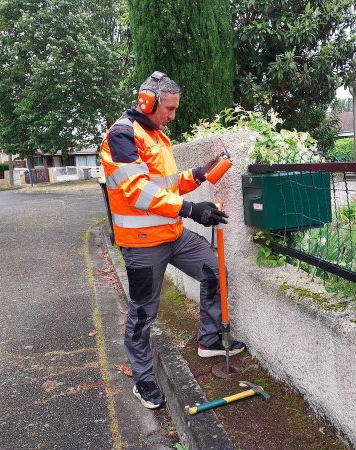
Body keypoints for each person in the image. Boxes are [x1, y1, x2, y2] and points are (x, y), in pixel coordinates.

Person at [99, 72, 246, 409]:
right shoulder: (122, 136)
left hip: (172, 235)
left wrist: (198, 174)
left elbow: (165, 184)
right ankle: (144, 380)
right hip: (141, 243)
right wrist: (192, 209)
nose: (172, 116)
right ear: (146, 102)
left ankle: (209, 340)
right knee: (143, 315)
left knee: (214, 270)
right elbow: (138, 191)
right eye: (169, 109)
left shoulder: (156, 136)